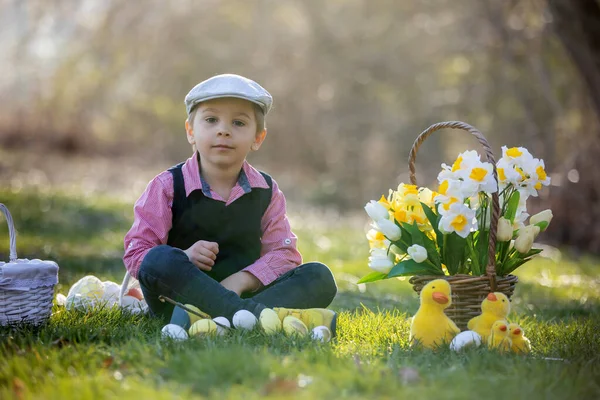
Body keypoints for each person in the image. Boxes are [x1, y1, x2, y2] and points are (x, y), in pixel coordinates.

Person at [123, 74, 338, 338]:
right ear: (191, 131)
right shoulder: (168, 186)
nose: (223, 130)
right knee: (158, 259)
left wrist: (239, 281)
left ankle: (217, 319)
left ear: (258, 137)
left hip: (244, 291)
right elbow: (137, 253)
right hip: (178, 299)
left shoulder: (266, 191)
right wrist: (185, 257)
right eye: (211, 120)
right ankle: (253, 317)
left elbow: (285, 255)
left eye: (238, 123)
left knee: (319, 276)